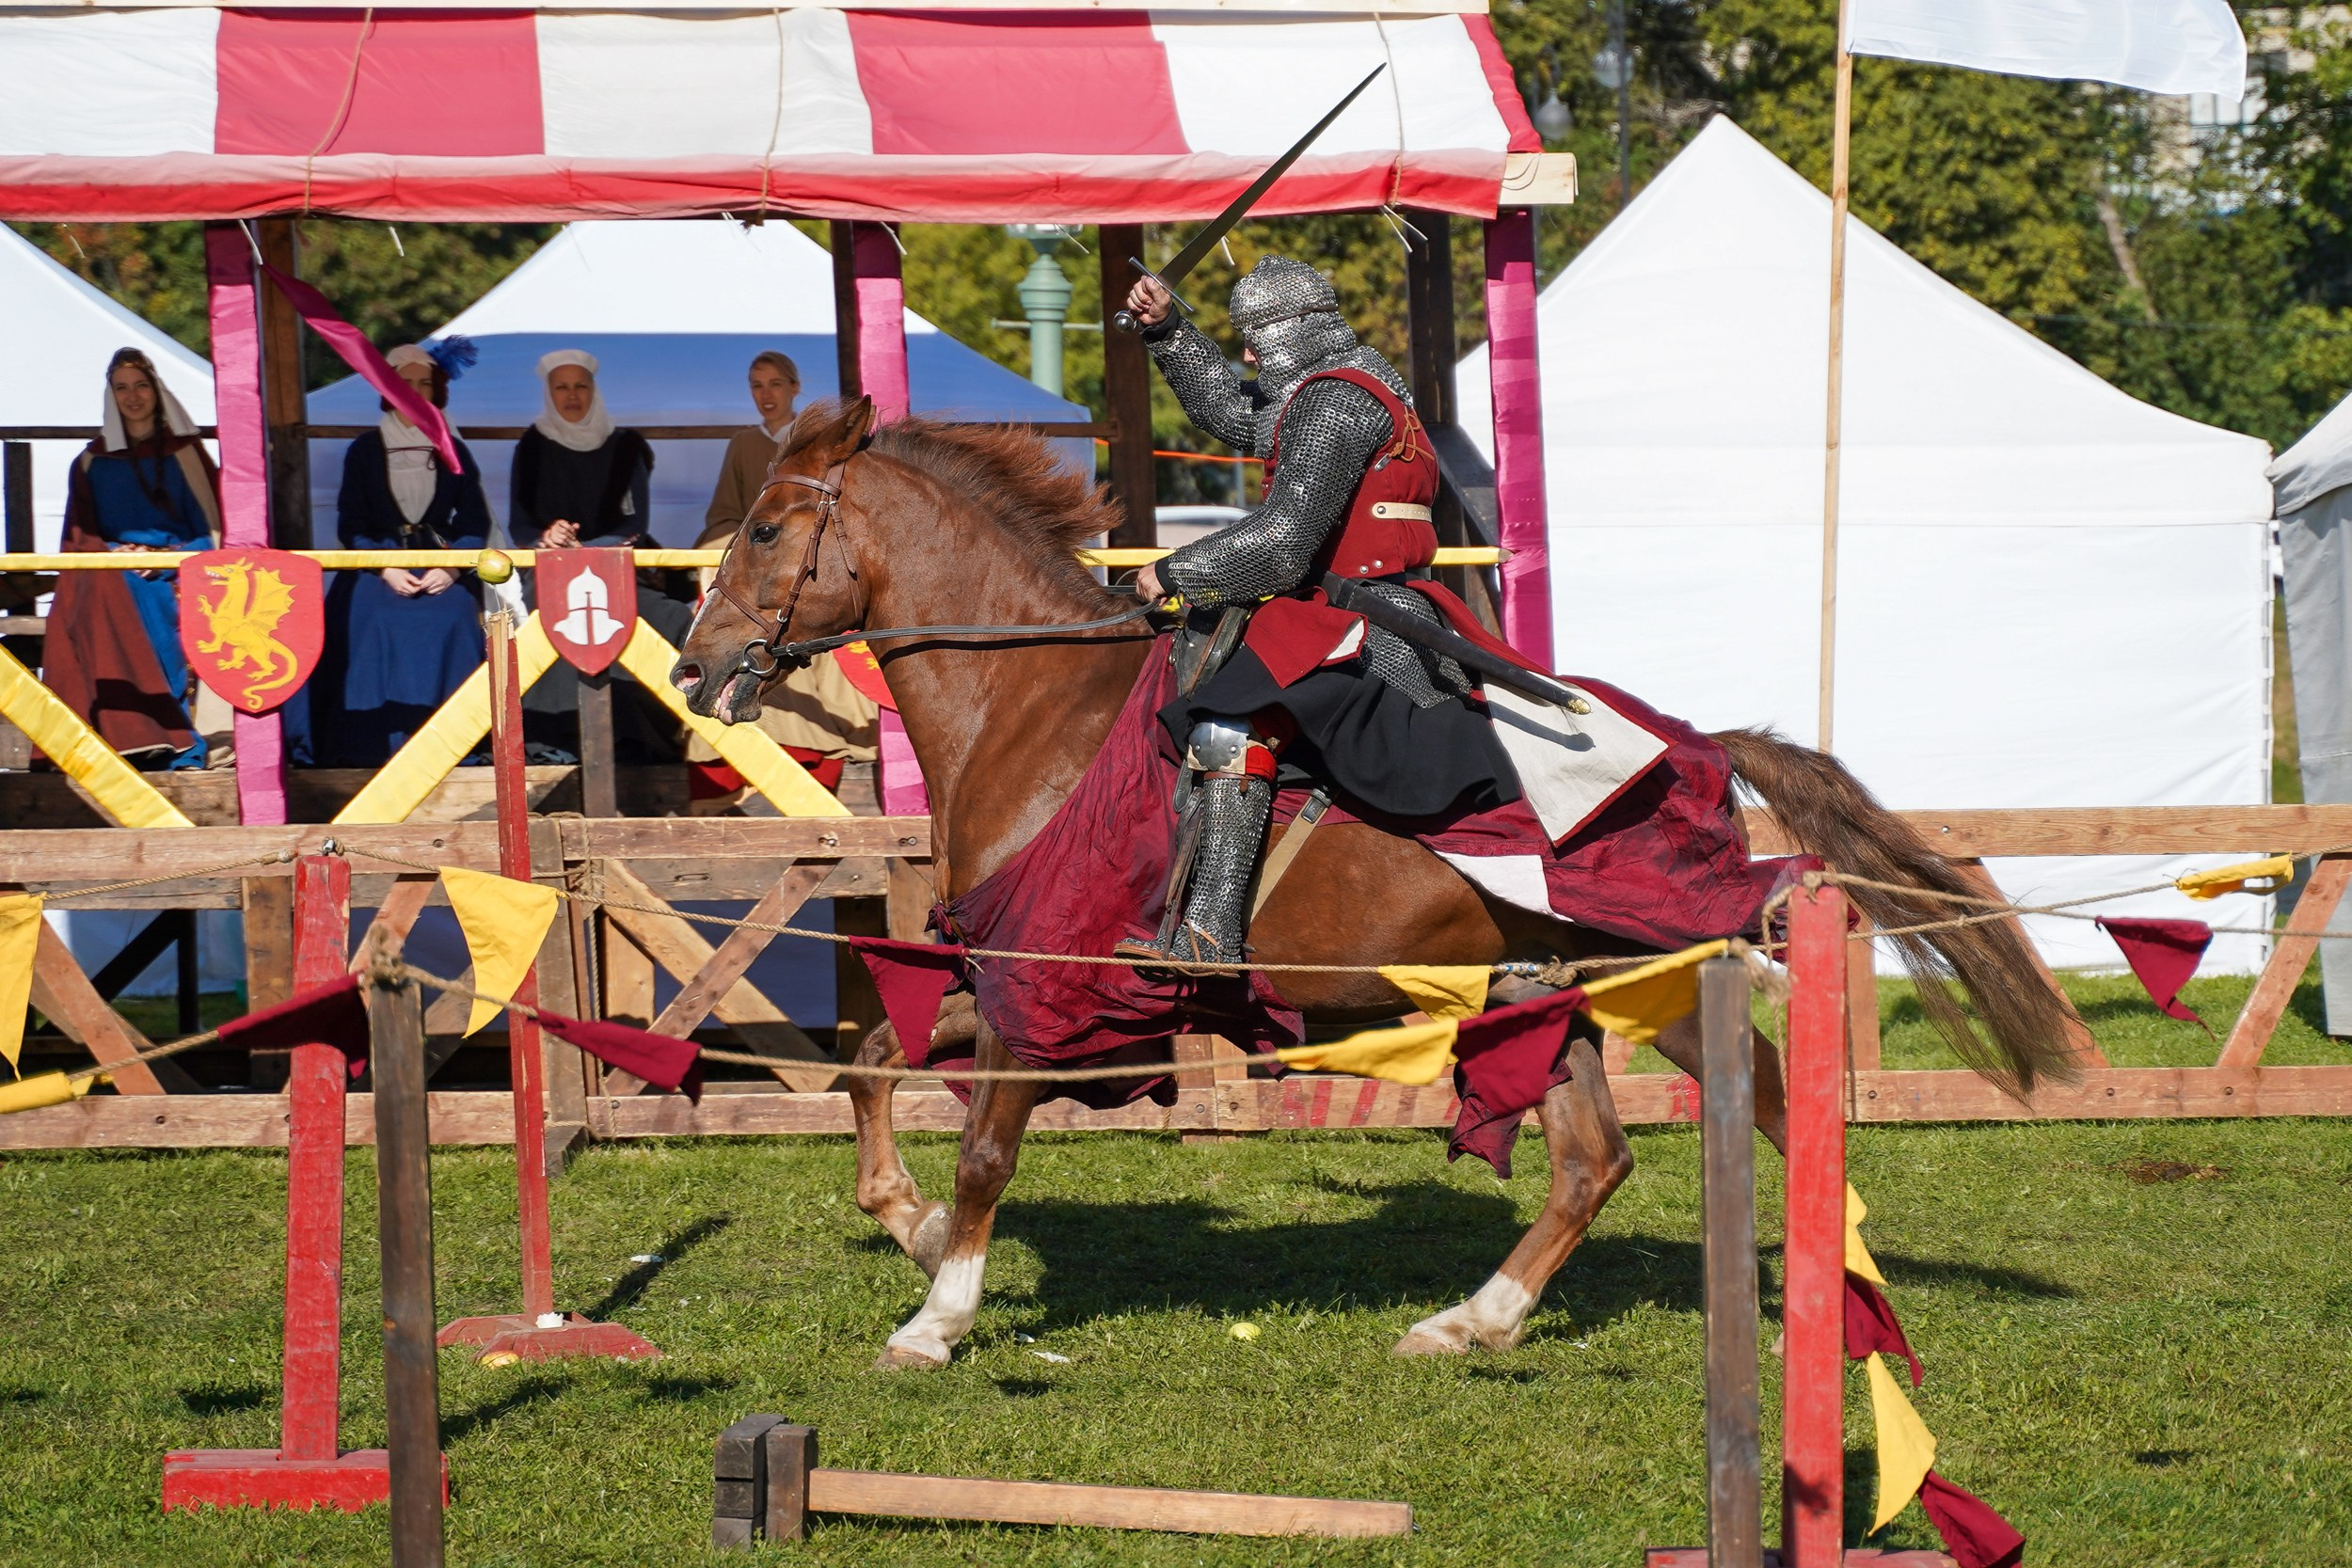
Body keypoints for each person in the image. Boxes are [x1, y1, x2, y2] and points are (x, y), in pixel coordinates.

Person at [1114, 257, 1515, 967]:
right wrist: (1170, 332)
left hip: (1365, 617)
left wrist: (1173, 571)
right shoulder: (1338, 389)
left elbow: (1284, 544)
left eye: (1254, 337)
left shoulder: (1339, 401)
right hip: (1348, 605)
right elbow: (1241, 417)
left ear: (1296, 329)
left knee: (1232, 719)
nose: (1246, 353)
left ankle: (1208, 933)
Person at [42, 348, 227, 769]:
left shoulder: (186, 456)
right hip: (110, 569)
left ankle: (170, 732)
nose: (133, 396)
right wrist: (114, 554)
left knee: (147, 595)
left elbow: (215, 534)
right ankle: (119, 733)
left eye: (141, 385)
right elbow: (79, 537)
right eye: (121, 387)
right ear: (112, 396)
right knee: (83, 604)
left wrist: (166, 558)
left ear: (156, 391)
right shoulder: (92, 461)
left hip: (178, 569)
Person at [510, 349, 691, 764]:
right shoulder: (532, 445)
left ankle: (644, 739)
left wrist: (585, 550)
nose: (572, 396)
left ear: (594, 390)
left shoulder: (625, 446)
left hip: (617, 565)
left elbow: (634, 523)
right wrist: (546, 536)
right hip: (551, 569)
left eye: (580, 386)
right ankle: (553, 739)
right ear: (549, 393)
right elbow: (519, 522)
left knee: (665, 618)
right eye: (562, 387)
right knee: (549, 621)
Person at [315, 340, 490, 765]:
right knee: (369, 617)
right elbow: (350, 524)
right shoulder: (363, 450)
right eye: (403, 382)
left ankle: (455, 743)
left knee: (452, 614)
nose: (413, 391)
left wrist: (451, 571)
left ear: (435, 390)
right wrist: (385, 566)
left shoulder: (453, 449)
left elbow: (474, 523)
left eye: (422, 383)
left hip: (438, 563)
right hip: (378, 565)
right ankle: (368, 744)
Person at [697, 350, 801, 548]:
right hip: (750, 550)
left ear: (794, 387)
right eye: (757, 386)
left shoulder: (812, 439)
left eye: (775, 384)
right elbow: (724, 513)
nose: (766, 394)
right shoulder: (743, 443)